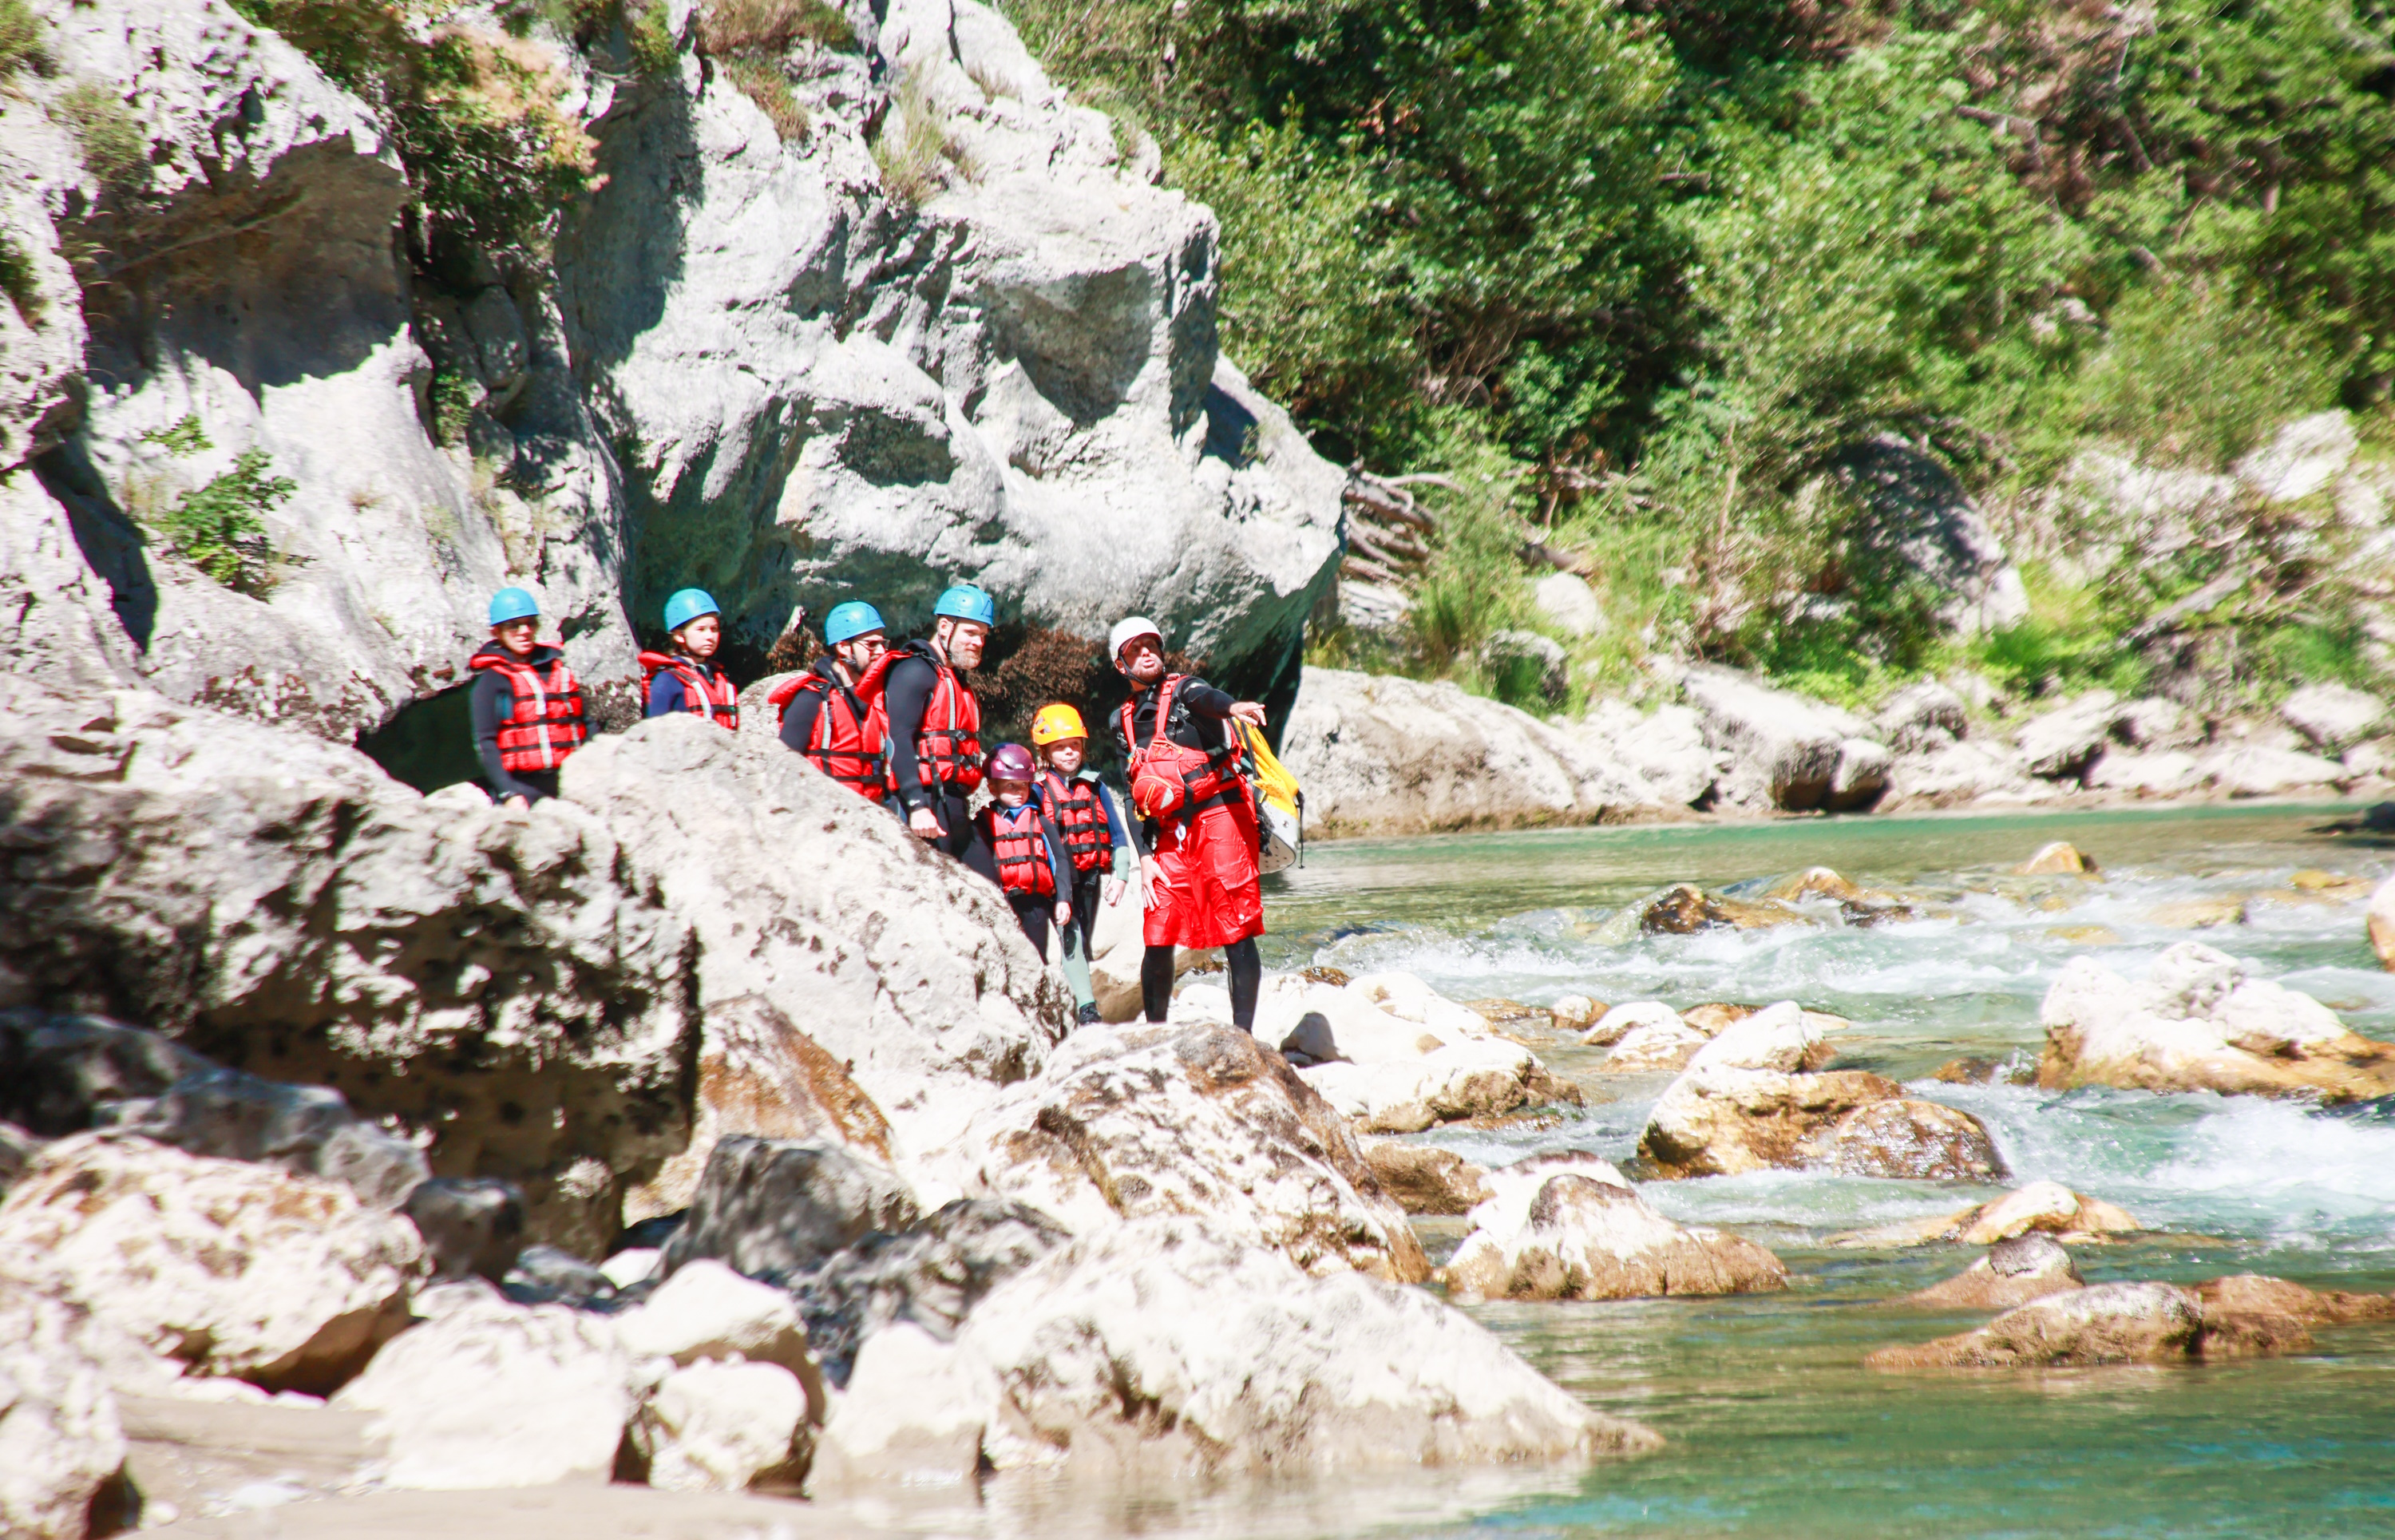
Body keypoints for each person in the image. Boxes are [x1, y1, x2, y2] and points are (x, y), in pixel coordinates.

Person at [1106, 616, 1269, 1033]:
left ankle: (1243, 1035)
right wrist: (1145, 858)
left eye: (1151, 645)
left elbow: (1209, 698)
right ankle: (1154, 1034)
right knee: (1158, 930)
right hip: (1168, 832)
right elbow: (1133, 796)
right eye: (1134, 649)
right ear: (1121, 665)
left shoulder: (1185, 690)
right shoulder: (1121, 721)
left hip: (1221, 816)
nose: (1146, 652)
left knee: (1235, 927)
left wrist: (1233, 707)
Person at [855, 584, 996, 882]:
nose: (979, 642)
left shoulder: (954, 679)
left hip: (955, 807)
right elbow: (898, 740)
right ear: (944, 627)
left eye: (983, 635)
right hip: (923, 805)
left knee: (994, 890)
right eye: (971, 633)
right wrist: (917, 805)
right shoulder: (915, 671)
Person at [1031, 703, 1133, 1025]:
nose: (1069, 752)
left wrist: (1121, 875)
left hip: (1089, 876)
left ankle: (1076, 998)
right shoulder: (1037, 791)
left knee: (1081, 940)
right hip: (1058, 879)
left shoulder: (1096, 786)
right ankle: (1088, 1008)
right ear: (1046, 752)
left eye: (1074, 745)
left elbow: (1117, 833)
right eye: (1060, 747)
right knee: (1070, 933)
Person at [468, 587, 588, 808]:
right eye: (513, 625)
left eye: (530, 623)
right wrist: (508, 793)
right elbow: (486, 742)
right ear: (496, 632)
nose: (524, 631)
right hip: (523, 789)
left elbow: (586, 724)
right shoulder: (491, 681)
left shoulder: (558, 669)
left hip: (572, 782)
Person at [772, 600, 890, 802]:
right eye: (872, 644)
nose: (882, 652)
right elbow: (781, 770)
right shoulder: (811, 699)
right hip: (824, 812)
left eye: (883, 643)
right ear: (843, 647)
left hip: (870, 814)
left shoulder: (879, 699)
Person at [976, 742, 1075, 955]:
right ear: (992, 787)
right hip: (1001, 905)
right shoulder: (983, 823)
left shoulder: (1040, 820)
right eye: (1011, 785)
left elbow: (1059, 860)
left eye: (1024, 784)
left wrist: (1063, 899)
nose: (1019, 791)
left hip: (1035, 905)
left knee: (1036, 959)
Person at [639, 588, 738, 728]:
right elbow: (655, 733)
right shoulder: (666, 680)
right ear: (679, 635)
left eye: (714, 629)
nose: (710, 636)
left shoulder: (718, 677)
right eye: (701, 629)